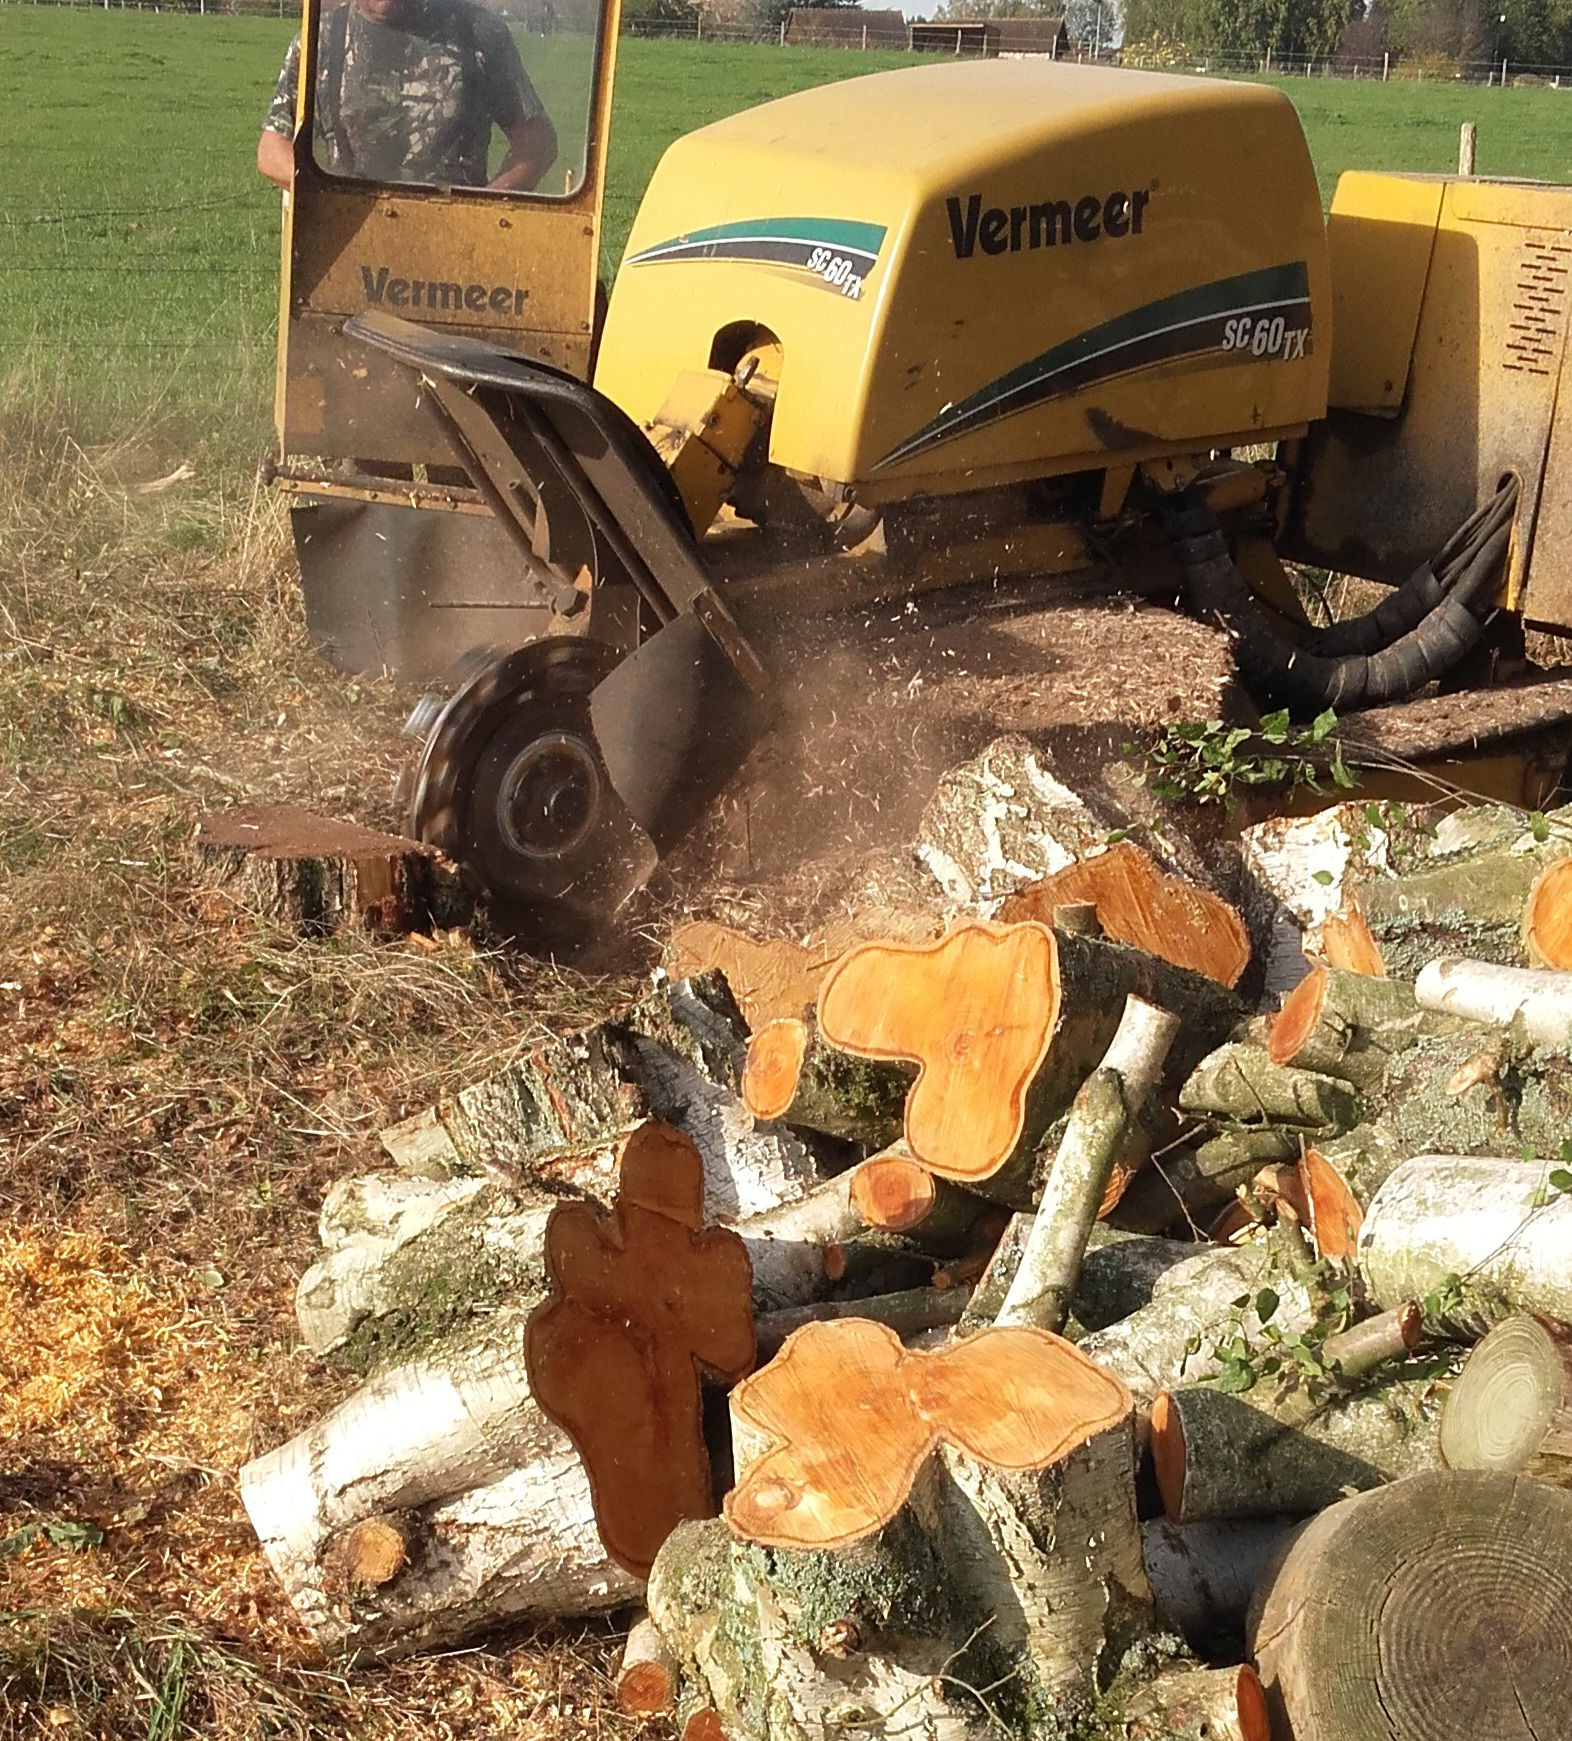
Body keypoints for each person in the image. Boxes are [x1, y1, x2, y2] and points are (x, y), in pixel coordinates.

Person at [257, 0, 559, 194]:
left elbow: (537, 143)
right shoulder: (319, 39)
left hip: (456, 257)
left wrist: (487, 209)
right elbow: (272, 149)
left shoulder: (479, 35)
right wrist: (327, 194)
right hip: (347, 244)